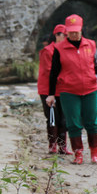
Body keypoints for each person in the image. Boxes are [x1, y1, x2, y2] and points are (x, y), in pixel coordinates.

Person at [45, 14, 97, 164]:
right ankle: (78, 154)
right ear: (66, 32)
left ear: (81, 30)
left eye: (76, 31)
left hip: (90, 88)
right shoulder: (59, 48)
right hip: (69, 91)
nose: (74, 34)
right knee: (73, 123)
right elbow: (54, 72)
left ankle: (94, 154)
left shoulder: (91, 45)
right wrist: (50, 94)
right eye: (70, 32)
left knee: (92, 122)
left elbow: (96, 64)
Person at [37, 24, 71, 155]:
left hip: (63, 89)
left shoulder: (66, 50)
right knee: (52, 118)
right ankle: (52, 145)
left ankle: (63, 146)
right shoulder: (48, 51)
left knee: (63, 118)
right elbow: (49, 70)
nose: (67, 38)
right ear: (57, 35)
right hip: (48, 90)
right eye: (65, 35)